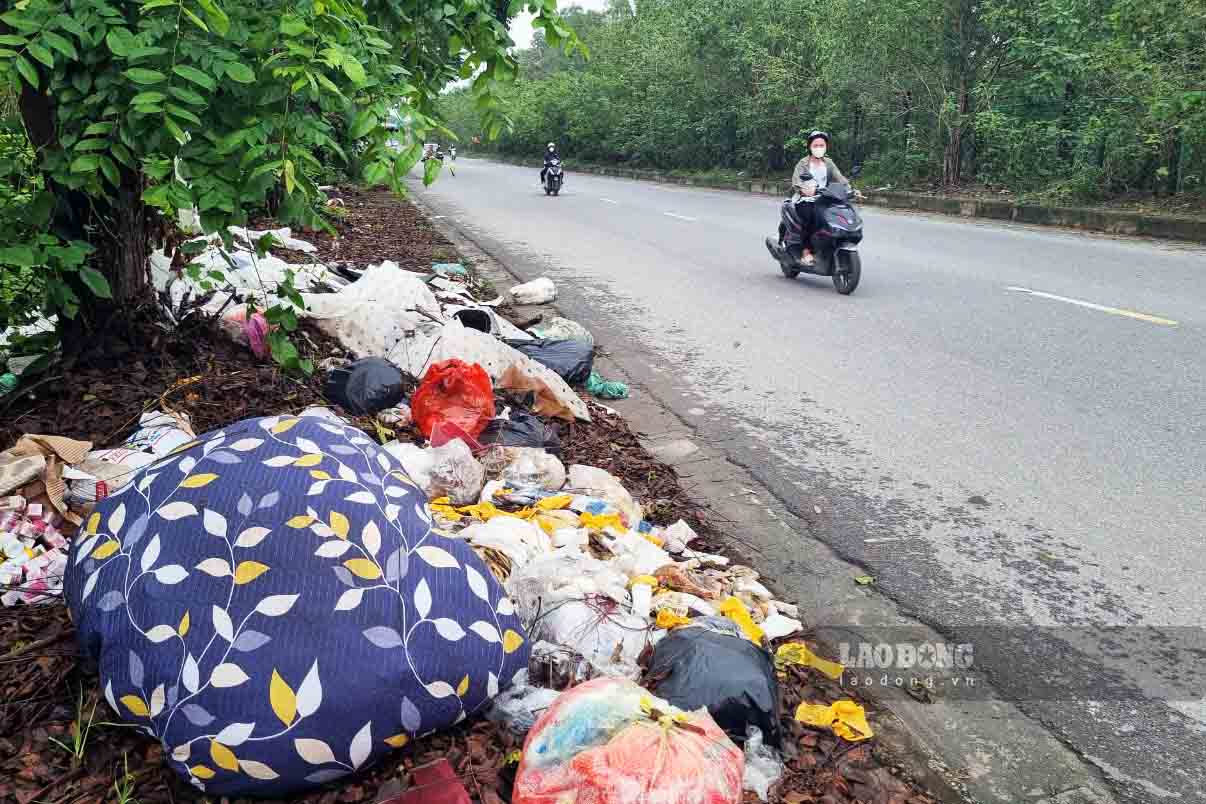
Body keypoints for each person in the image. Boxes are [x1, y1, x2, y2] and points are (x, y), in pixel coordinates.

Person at [790, 131, 849, 265]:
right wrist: (804, 189)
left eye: (821, 145)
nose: (819, 148)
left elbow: (839, 177)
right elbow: (796, 181)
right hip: (805, 199)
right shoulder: (803, 163)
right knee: (811, 217)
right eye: (815, 145)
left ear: (826, 146)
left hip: (825, 198)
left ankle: (828, 245)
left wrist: (850, 188)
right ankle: (806, 251)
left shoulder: (828, 162)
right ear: (809, 147)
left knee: (838, 214)